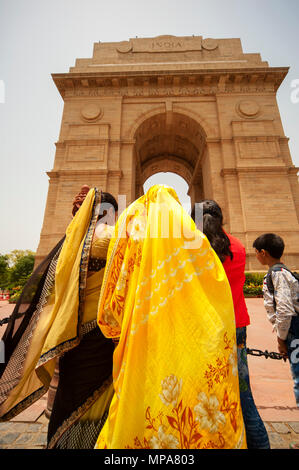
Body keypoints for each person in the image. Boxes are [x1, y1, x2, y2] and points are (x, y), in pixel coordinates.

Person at [94, 184, 247, 449]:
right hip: (192, 334)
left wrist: (115, 323)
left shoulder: (135, 237)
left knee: (149, 388)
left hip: (143, 332)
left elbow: (115, 294)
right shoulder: (196, 245)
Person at [0, 186, 118, 449]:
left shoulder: (73, 239)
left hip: (68, 334)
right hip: (104, 334)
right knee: (101, 398)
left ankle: (61, 442)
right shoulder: (114, 237)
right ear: (112, 212)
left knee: (68, 391)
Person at [191, 200, 270, 449]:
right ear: (221, 218)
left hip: (203, 329)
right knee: (243, 393)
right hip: (236, 326)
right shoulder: (238, 246)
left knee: (203, 395)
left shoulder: (192, 248)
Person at [253, 233, 299, 412]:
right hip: (294, 328)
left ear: (263, 253)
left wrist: (281, 338)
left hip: (294, 330)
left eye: (256, 252)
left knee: (298, 377)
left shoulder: (277, 275)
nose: (255, 255)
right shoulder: (283, 271)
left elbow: (285, 310)